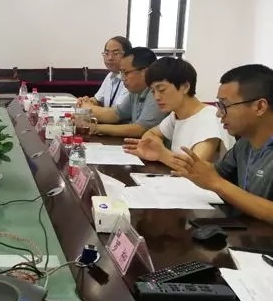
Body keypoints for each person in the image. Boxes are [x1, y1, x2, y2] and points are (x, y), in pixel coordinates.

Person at [171, 65, 273, 223]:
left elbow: (216, 180)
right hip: (245, 230)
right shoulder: (244, 143)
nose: (219, 114)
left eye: (224, 105)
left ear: (260, 107)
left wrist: (217, 184)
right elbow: (217, 172)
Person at [123, 58, 234, 169]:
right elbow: (150, 134)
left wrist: (161, 154)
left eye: (161, 90)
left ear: (185, 87)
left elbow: (194, 168)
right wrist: (158, 149)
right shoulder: (176, 115)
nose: (156, 97)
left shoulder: (210, 118)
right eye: (153, 91)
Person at [87, 47, 166, 137]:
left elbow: (140, 129)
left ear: (144, 72)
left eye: (126, 73)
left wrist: (96, 128)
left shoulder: (157, 93)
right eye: (121, 73)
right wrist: (83, 112)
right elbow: (115, 114)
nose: (122, 78)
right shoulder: (136, 92)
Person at [78, 36, 131, 108]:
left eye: (116, 53)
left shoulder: (130, 79)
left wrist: (89, 107)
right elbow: (98, 100)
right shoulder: (109, 76)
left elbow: (117, 112)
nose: (110, 58)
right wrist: (86, 101)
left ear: (128, 55)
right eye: (107, 53)